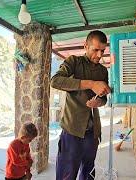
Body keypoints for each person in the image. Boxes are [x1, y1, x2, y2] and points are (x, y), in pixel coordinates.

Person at [51, 30, 111, 180]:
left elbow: (104, 98)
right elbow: (55, 81)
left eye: (102, 51)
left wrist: (99, 102)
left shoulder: (103, 71)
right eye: (95, 49)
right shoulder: (73, 62)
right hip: (72, 130)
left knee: (88, 174)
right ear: (86, 46)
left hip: (93, 132)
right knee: (66, 174)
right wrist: (91, 84)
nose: (99, 55)